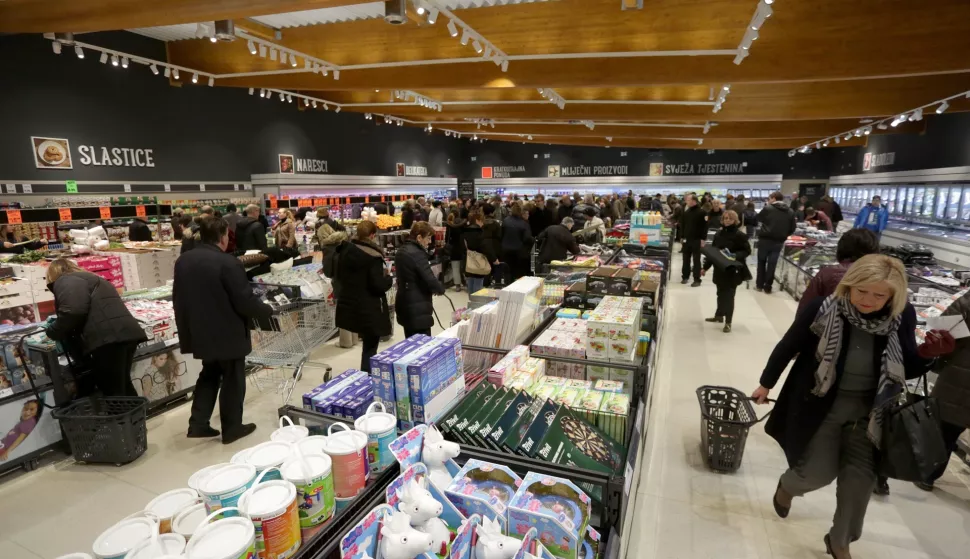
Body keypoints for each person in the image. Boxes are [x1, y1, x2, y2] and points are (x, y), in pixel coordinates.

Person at [752, 255, 954, 559]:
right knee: (816, 473)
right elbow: (788, 346)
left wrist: (928, 355)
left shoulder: (902, 316)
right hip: (822, 406)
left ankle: (840, 540)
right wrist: (766, 383)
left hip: (872, 412)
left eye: (879, 295)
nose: (868, 300)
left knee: (859, 483)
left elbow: (907, 367)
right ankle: (789, 486)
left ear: (892, 296)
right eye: (861, 291)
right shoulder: (823, 308)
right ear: (850, 285)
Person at [173, 216, 273, 443]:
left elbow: (178, 297)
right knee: (232, 378)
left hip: (198, 330)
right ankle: (232, 428)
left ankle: (197, 424)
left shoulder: (184, 260)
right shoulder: (229, 263)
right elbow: (243, 300)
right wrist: (266, 310)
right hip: (227, 331)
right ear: (222, 236)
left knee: (209, 374)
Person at [44, 258, 147, 397]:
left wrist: (53, 331)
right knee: (122, 384)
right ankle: (136, 418)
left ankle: (120, 418)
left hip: (107, 338)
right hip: (126, 333)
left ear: (53, 274)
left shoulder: (66, 280)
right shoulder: (94, 278)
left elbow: (73, 311)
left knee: (112, 389)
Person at [919, 290, 970, 492]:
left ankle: (928, 475)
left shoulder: (967, 301)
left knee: (946, 428)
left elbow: (943, 331)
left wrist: (938, 361)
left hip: (960, 374)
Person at [335, 221, 394, 373]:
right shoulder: (373, 257)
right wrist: (389, 278)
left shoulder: (345, 250)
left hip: (350, 304)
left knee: (366, 344)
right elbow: (377, 285)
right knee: (370, 346)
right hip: (370, 307)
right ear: (373, 235)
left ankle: (364, 376)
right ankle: (367, 378)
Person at [702, 210, 751, 333]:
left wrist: (734, 255)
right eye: (725, 218)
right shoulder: (719, 234)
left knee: (729, 296)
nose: (727, 220)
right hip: (719, 269)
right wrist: (705, 268)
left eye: (730, 218)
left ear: (735, 220)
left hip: (732, 270)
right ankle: (719, 315)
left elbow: (746, 251)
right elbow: (713, 253)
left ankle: (728, 322)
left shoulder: (739, 235)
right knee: (720, 293)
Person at [395, 222, 445, 338]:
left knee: (410, 342)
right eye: (428, 238)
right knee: (422, 345)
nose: (429, 242)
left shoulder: (402, 250)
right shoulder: (417, 253)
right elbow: (429, 277)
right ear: (419, 237)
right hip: (417, 305)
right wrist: (440, 289)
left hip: (404, 301)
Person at [756, 191, 796, 294]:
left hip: (765, 239)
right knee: (772, 264)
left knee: (761, 262)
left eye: (769, 198)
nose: (768, 200)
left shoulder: (768, 208)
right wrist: (784, 235)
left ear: (773, 198)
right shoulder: (790, 211)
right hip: (779, 241)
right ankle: (768, 286)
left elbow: (758, 219)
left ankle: (759, 285)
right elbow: (792, 228)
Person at [462, 210, 495, 295]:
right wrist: (494, 258)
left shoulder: (465, 231)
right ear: (477, 220)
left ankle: (471, 303)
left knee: (471, 283)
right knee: (478, 284)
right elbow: (485, 247)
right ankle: (476, 304)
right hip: (479, 261)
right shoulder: (480, 233)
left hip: (468, 261)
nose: (483, 223)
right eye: (481, 221)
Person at [501, 203, 534, 281]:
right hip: (519, 251)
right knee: (518, 272)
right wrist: (534, 240)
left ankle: (507, 285)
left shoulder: (505, 221)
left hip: (506, 250)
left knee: (508, 271)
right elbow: (527, 238)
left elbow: (501, 234)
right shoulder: (524, 223)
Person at [680, 194, 707, 287]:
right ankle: (685, 276)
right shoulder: (686, 212)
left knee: (696, 260)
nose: (686, 201)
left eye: (688, 200)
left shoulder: (702, 212)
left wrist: (703, 238)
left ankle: (697, 279)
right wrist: (681, 237)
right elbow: (682, 225)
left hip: (697, 239)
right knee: (685, 259)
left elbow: (705, 227)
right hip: (686, 239)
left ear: (694, 201)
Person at [445, 212, 466, 291]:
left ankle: (457, 285)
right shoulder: (463, 224)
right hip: (463, 247)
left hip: (454, 248)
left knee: (455, 267)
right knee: (465, 267)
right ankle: (466, 282)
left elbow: (447, 238)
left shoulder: (450, 225)